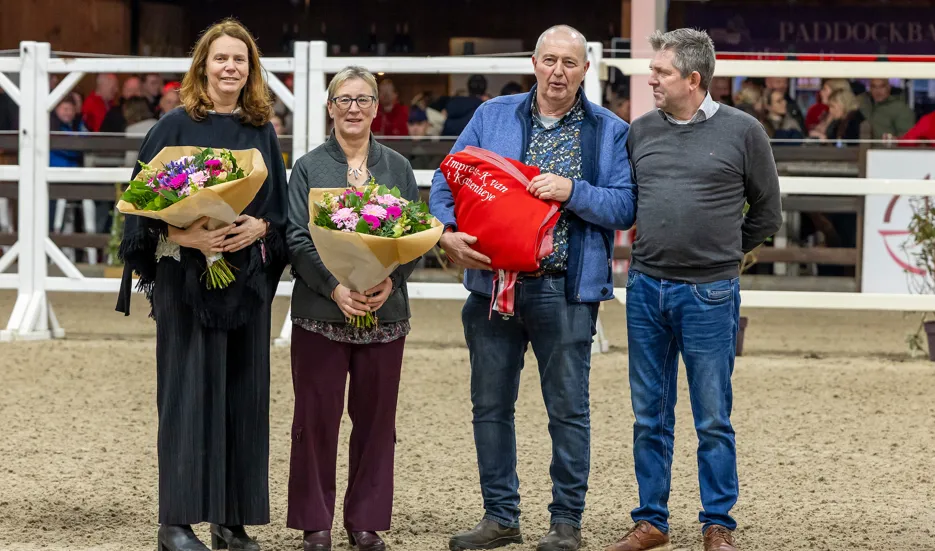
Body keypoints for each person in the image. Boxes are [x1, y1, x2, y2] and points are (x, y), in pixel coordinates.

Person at [429, 24, 636, 551]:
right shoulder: (491, 116)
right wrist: (447, 234)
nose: (558, 72)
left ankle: (565, 523)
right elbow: (445, 178)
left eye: (570, 63)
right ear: (534, 62)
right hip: (490, 288)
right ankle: (501, 516)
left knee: (567, 411)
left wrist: (574, 191)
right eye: (550, 61)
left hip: (564, 289)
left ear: (587, 69)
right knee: (490, 406)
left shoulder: (609, 130)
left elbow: (625, 206)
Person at [114, 18, 289, 551]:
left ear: (250, 70)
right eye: (221, 58)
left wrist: (259, 227)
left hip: (244, 287)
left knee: (243, 396)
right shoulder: (171, 127)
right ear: (203, 67)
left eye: (240, 59)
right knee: (187, 395)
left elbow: (279, 213)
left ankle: (231, 521)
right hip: (185, 283)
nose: (230, 67)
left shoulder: (262, 131)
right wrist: (187, 236)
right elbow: (140, 214)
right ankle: (176, 522)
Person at [604, 29, 781, 551]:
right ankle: (652, 521)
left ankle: (717, 523)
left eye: (661, 72)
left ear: (693, 78)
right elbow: (626, 201)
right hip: (646, 288)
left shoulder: (744, 132)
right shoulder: (639, 132)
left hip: (709, 292)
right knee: (648, 413)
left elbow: (767, 211)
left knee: (712, 415)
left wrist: (726, 254)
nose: (651, 78)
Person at [285, 65, 420, 551]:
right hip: (322, 313)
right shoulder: (308, 168)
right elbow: (297, 239)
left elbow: (413, 236)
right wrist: (333, 288)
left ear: (376, 108)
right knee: (315, 419)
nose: (354, 108)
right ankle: (314, 520)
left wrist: (392, 279)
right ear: (329, 107)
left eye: (363, 100)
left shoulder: (397, 168)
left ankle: (365, 519)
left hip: (385, 314)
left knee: (377, 421)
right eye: (344, 99)